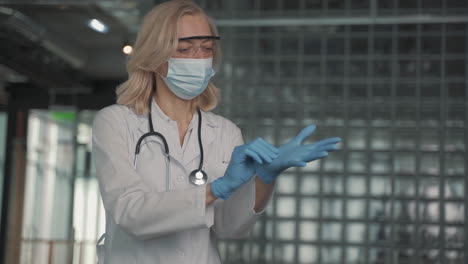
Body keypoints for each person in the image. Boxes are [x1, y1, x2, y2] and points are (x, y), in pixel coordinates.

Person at [92, 0, 341, 263]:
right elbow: (130, 213)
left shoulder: (224, 132)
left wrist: (265, 178)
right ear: (154, 56)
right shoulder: (115, 122)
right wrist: (217, 188)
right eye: (185, 49)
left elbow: (230, 227)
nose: (198, 59)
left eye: (207, 49)